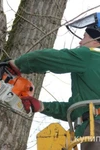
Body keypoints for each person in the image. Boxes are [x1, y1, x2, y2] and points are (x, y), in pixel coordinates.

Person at [8, 13, 100, 150]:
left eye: (84, 38)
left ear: (96, 41)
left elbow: (50, 58)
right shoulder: (92, 74)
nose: (80, 42)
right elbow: (77, 109)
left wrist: (17, 64)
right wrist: (42, 106)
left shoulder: (90, 55)